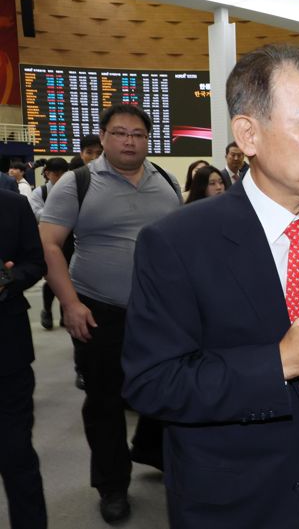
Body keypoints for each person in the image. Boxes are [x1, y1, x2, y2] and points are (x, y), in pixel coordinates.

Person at [122, 43, 299, 529]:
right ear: (248, 134)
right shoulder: (177, 242)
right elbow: (152, 383)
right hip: (227, 499)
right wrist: (278, 363)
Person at [38, 104, 182, 524]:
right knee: (104, 401)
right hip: (98, 310)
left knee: (166, 388)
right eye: (120, 133)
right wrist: (69, 303)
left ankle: (151, 450)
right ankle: (112, 484)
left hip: (159, 313)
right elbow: (49, 246)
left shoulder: (166, 181)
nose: (129, 141)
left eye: (138, 134)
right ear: (103, 137)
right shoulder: (77, 182)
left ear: (147, 139)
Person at [0, 189, 48, 529]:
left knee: (16, 455)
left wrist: (7, 279)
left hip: (7, 353)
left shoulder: (12, 205)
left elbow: (35, 262)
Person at [29, 157, 70, 330]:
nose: (60, 177)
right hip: (47, 240)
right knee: (52, 276)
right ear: (47, 173)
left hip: (69, 240)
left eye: (64, 173)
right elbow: (36, 213)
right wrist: (58, 213)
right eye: (56, 173)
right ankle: (47, 310)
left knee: (68, 277)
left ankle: (64, 313)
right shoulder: (40, 192)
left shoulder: (71, 190)